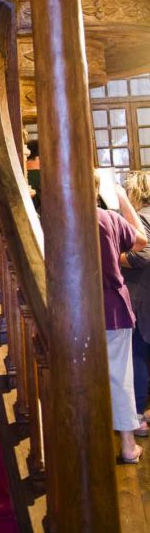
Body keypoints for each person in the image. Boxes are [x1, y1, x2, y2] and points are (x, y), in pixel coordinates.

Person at [95, 172, 147, 463]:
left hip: (74, 310)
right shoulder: (107, 218)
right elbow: (141, 241)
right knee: (119, 375)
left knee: (83, 377)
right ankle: (127, 446)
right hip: (112, 307)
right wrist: (123, 200)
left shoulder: (56, 220)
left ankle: (88, 442)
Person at [119, 172, 150, 437]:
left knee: (137, 354)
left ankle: (138, 416)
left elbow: (142, 256)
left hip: (141, 296)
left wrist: (109, 257)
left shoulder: (139, 218)